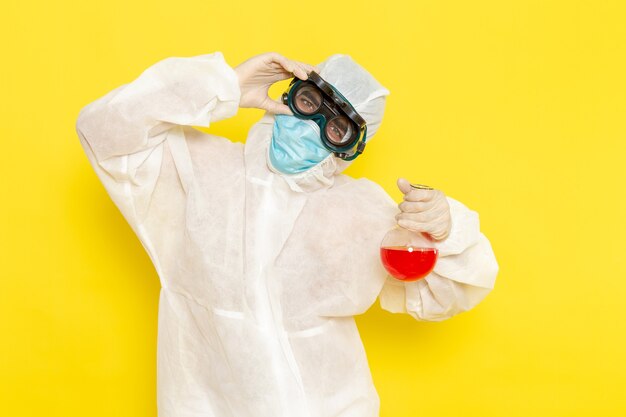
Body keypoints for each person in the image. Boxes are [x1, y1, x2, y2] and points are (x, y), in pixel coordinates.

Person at [75, 51, 498, 417]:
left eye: (335, 129)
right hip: (202, 404)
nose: (311, 125)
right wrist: (225, 87)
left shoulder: (359, 210)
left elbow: (455, 289)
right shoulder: (199, 170)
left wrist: (444, 229)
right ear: (289, 94)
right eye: (309, 102)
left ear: (347, 148)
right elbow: (103, 131)